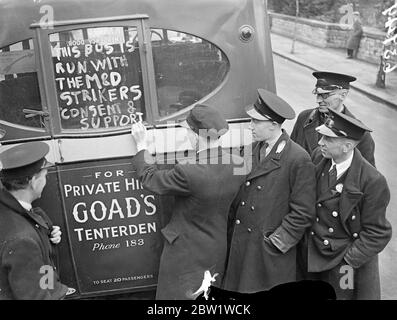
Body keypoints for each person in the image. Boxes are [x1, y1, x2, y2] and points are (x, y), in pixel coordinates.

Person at [130, 104, 246, 300]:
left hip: (185, 255)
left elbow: (150, 179)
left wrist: (141, 146)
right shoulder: (238, 164)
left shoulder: (188, 171)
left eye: (187, 131)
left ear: (195, 134)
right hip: (216, 249)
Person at [222, 89, 316, 293]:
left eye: (256, 122)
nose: (250, 126)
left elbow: (303, 212)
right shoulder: (250, 150)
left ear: (274, 124)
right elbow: (236, 194)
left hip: (267, 253)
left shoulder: (298, 159)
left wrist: (276, 243)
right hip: (242, 246)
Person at [302, 109, 392, 299]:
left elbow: (378, 232)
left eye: (328, 139)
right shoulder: (319, 157)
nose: (320, 143)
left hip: (343, 265)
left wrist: (349, 260)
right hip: (314, 252)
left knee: (343, 295)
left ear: (347, 146)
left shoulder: (372, 181)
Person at [0, 142, 69, 299]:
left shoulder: (11, 212)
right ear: (33, 181)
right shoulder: (22, 241)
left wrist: (44, 234)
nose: (45, 181)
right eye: (44, 176)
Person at [290, 71, 375, 166]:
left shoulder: (359, 133)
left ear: (343, 95)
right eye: (318, 94)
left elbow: (365, 176)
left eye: (325, 95)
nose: (318, 100)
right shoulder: (305, 117)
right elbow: (290, 154)